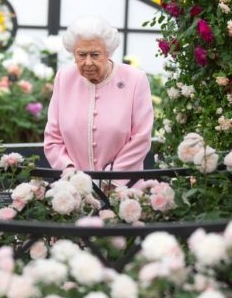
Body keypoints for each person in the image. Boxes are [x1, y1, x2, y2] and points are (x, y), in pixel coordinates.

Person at [43, 16, 154, 179]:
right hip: (75, 189)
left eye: (95, 55)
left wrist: (112, 178)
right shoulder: (64, 78)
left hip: (123, 187)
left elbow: (141, 137)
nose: (88, 62)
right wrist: (70, 172)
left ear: (108, 52)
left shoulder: (135, 79)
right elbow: (53, 138)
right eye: (81, 55)